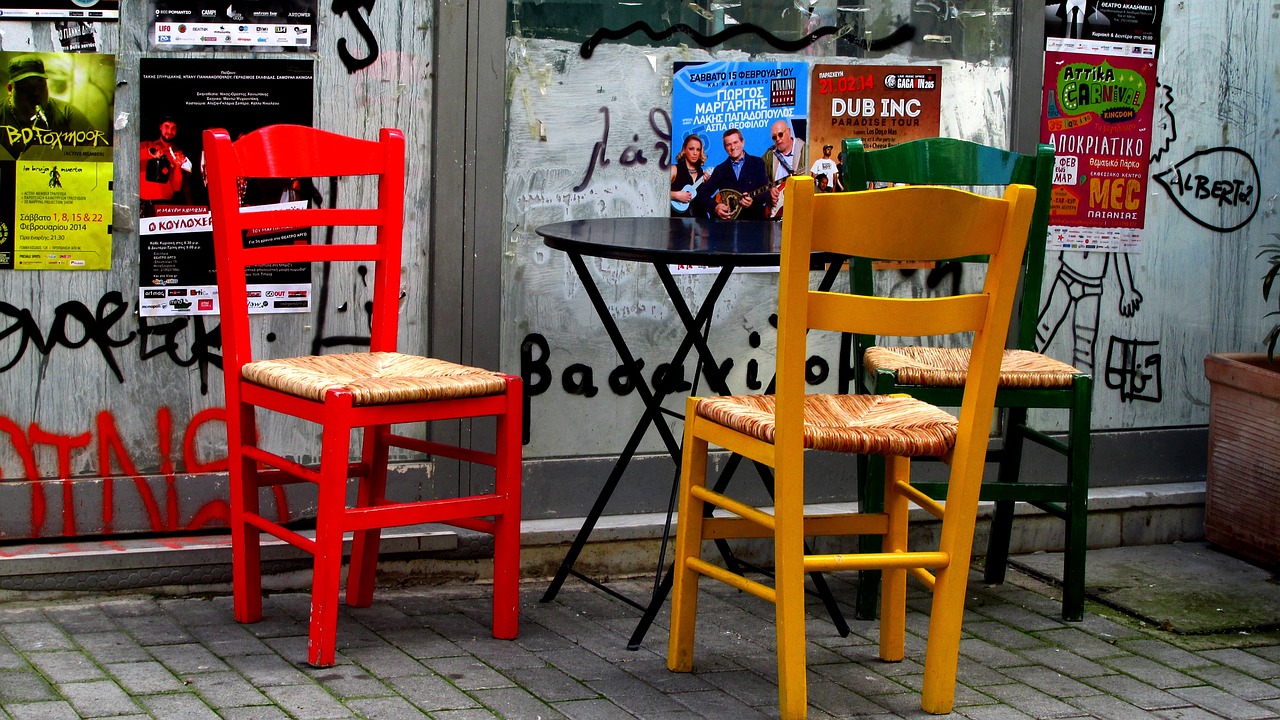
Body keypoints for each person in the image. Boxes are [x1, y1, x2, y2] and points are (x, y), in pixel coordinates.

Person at [0, 54, 94, 159]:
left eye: (40, 84)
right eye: (27, 86)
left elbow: (99, 151)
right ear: (10, 88)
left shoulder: (66, 113)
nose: (35, 92)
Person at [698, 128, 769, 221]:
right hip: (729, 226)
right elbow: (702, 194)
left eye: (735, 142)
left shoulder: (758, 163)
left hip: (754, 222)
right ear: (725, 148)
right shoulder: (720, 170)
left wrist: (753, 201)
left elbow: (766, 193)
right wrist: (715, 207)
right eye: (728, 144)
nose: (732, 147)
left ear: (742, 142)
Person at [139, 116, 193, 212]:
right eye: (167, 126)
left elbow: (177, 187)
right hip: (142, 204)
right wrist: (150, 153)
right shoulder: (146, 145)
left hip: (165, 206)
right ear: (160, 127)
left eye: (173, 128)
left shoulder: (178, 153)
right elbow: (128, 157)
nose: (170, 131)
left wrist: (177, 166)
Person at [761, 119, 807, 218]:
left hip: (801, 208)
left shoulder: (806, 151)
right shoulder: (769, 155)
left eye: (780, 134)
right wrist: (770, 190)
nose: (778, 139)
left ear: (789, 132)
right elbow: (760, 178)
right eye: (774, 137)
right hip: (777, 212)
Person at [669, 134, 710, 218]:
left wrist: (707, 184)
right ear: (684, 150)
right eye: (691, 149)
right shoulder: (674, 169)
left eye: (698, 150)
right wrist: (675, 195)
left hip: (700, 224)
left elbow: (703, 200)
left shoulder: (702, 173)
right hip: (678, 224)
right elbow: (656, 193)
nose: (695, 153)